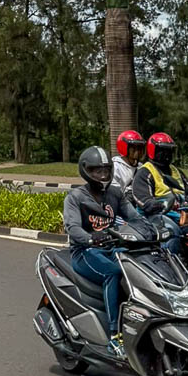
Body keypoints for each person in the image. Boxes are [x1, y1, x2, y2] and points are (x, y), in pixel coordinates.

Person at [63, 146, 138, 359]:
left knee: (140, 266)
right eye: (97, 171)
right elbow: (73, 227)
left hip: (111, 247)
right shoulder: (76, 197)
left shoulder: (115, 194)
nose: (103, 175)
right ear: (85, 170)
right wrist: (89, 237)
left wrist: (152, 228)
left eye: (106, 170)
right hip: (85, 252)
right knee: (112, 273)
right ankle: (114, 336)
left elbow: (133, 217)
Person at [130, 133, 188, 255]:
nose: (167, 155)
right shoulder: (145, 171)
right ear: (153, 150)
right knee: (172, 231)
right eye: (163, 150)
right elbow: (142, 198)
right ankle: (168, 264)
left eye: (169, 150)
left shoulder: (175, 171)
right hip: (153, 215)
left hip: (179, 214)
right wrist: (154, 204)